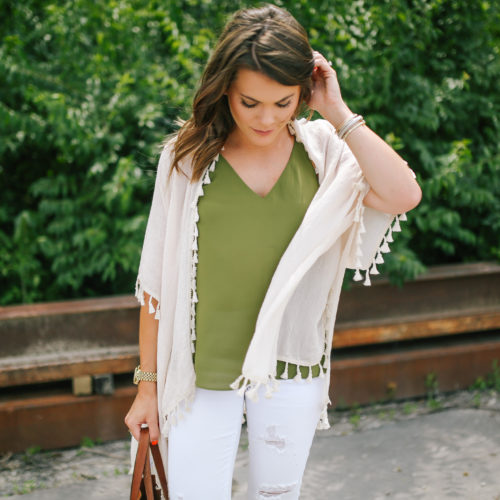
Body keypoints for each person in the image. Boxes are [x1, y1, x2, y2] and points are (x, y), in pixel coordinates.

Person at [125, 4, 422, 499]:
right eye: (250, 102)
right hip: (199, 374)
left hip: (290, 368)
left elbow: (403, 194)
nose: (266, 118)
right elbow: (155, 282)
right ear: (224, 89)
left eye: (283, 103)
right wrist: (147, 387)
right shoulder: (188, 158)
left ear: (304, 93)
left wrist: (338, 111)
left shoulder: (323, 153)